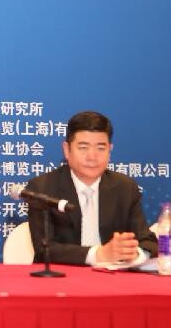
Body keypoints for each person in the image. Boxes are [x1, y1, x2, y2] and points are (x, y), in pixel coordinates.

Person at [25, 111, 157, 266]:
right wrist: (98, 254)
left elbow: (148, 242)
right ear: (67, 150)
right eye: (83, 148)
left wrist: (133, 253)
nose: (92, 157)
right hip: (63, 276)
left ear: (110, 150)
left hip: (114, 276)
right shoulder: (42, 188)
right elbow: (45, 249)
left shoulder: (125, 187)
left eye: (100, 148)